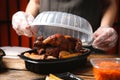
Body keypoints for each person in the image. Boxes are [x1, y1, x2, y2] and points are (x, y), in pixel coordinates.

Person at [12, 0, 118, 51]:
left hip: (87, 48)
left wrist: (105, 26)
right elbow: (36, 2)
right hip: (46, 48)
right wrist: (27, 18)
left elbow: (109, 3)